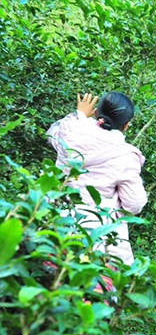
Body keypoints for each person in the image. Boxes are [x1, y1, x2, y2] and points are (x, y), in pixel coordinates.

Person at [46, 92, 147, 266]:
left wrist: (79, 115)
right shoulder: (125, 155)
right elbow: (134, 204)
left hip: (58, 225)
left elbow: (53, 132)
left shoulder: (68, 132)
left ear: (95, 113)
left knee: (51, 283)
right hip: (99, 239)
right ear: (126, 125)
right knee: (95, 287)